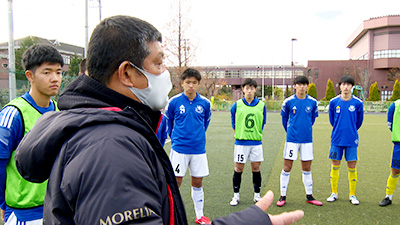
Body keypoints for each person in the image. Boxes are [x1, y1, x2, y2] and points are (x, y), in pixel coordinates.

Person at [14, 16, 304, 225]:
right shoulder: (109, 149)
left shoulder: (110, 128)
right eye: (159, 62)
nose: (165, 72)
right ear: (127, 73)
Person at [0, 44, 63, 224]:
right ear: (30, 76)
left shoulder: (61, 112)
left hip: (55, 210)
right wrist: (3, 204)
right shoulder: (14, 114)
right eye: (47, 72)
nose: (55, 78)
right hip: (23, 215)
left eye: (58, 72)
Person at [164, 68, 212, 224]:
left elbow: (205, 123)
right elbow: (168, 122)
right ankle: (171, 213)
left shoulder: (205, 103)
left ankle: (199, 216)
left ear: (198, 84)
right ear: (182, 83)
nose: (191, 85)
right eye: (188, 82)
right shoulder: (174, 102)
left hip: (198, 149)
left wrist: (196, 137)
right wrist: (176, 138)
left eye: (194, 83)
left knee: (197, 182)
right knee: (175, 183)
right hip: (179, 149)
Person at [277, 76, 323, 207]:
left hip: (307, 140)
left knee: (307, 168)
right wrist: (292, 131)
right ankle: (282, 196)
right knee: (287, 167)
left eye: (304, 84)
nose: (302, 87)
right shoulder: (288, 102)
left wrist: (305, 130)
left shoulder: (313, 102)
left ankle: (309, 196)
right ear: (295, 86)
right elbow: (284, 120)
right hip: (292, 140)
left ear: (307, 86)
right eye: (299, 84)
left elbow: (312, 119)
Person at [326, 75, 364, 205]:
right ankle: (334, 192)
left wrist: (351, 130)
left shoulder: (358, 103)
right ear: (340, 86)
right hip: (336, 139)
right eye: (344, 84)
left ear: (352, 87)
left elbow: (359, 122)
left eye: (349, 85)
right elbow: (332, 120)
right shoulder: (333, 102)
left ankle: (352, 194)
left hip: (351, 140)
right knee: (335, 165)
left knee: (352, 166)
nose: (346, 87)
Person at [229, 78, 266, 206]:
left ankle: (257, 195)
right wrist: (239, 133)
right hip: (241, 143)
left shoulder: (261, 105)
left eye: (252, 88)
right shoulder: (237, 105)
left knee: (256, 168)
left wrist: (256, 134)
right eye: (247, 88)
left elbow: (263, 122)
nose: (249, 91)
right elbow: (233, 120)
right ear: (243, 90)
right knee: (238, 168)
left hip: (255, 143)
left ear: (255, 90)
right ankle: (236, 195)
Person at [379, 99, 400, 206]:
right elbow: (390, 123)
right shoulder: (395, 105)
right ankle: (388, 197)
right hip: (399, 144)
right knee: (395, 170)